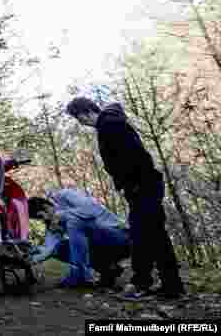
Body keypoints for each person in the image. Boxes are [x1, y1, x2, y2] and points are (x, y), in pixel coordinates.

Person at [65, 97, 185, 300]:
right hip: (142, 186)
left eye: (79, 119)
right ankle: (170, 286)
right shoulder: (110, 122)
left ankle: (143, 283)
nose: (82, 123)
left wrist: (135, 184)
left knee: (142, 236)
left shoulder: (109, 124)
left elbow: (137, 155)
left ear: (85, 112)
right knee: (154, 235)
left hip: (142, 186)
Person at [28, 189, 130, 289]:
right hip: (100, 247)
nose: (43, 220)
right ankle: (107, 269)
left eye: (40, 217)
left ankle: (80, 276)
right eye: (39, 220)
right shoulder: (52, 224)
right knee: (59, 248)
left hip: (119, 237)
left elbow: (91, 209)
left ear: (46, 207)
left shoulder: (64, 195)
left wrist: (61, 216)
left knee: (73, 221)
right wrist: (30, 259)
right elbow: (48, 248)